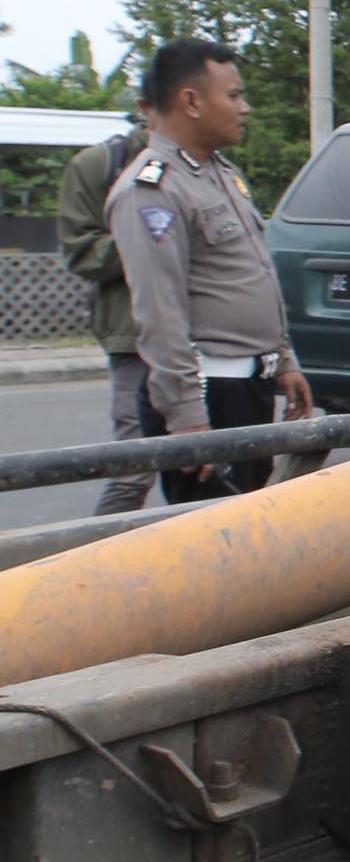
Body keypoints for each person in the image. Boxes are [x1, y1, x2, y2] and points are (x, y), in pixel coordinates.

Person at [106, 39, 312, 503]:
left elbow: (249, 275)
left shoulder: (219, 174)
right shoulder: (152, 189)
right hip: (208, 396)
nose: (246, 107)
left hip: (246, 387)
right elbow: (161, 313)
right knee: (216, 545)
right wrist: (186, 417)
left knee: (252, 522)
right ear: (192, 101)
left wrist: (283, 359)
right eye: (235, 95)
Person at [57, 105, 155, 513]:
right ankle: (94, 564)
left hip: (210, 338)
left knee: (216, 465)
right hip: (133, 334)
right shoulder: (100, 164)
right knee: (135, 467)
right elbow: (82, 252)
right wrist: (153, 234)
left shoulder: (211, 163)